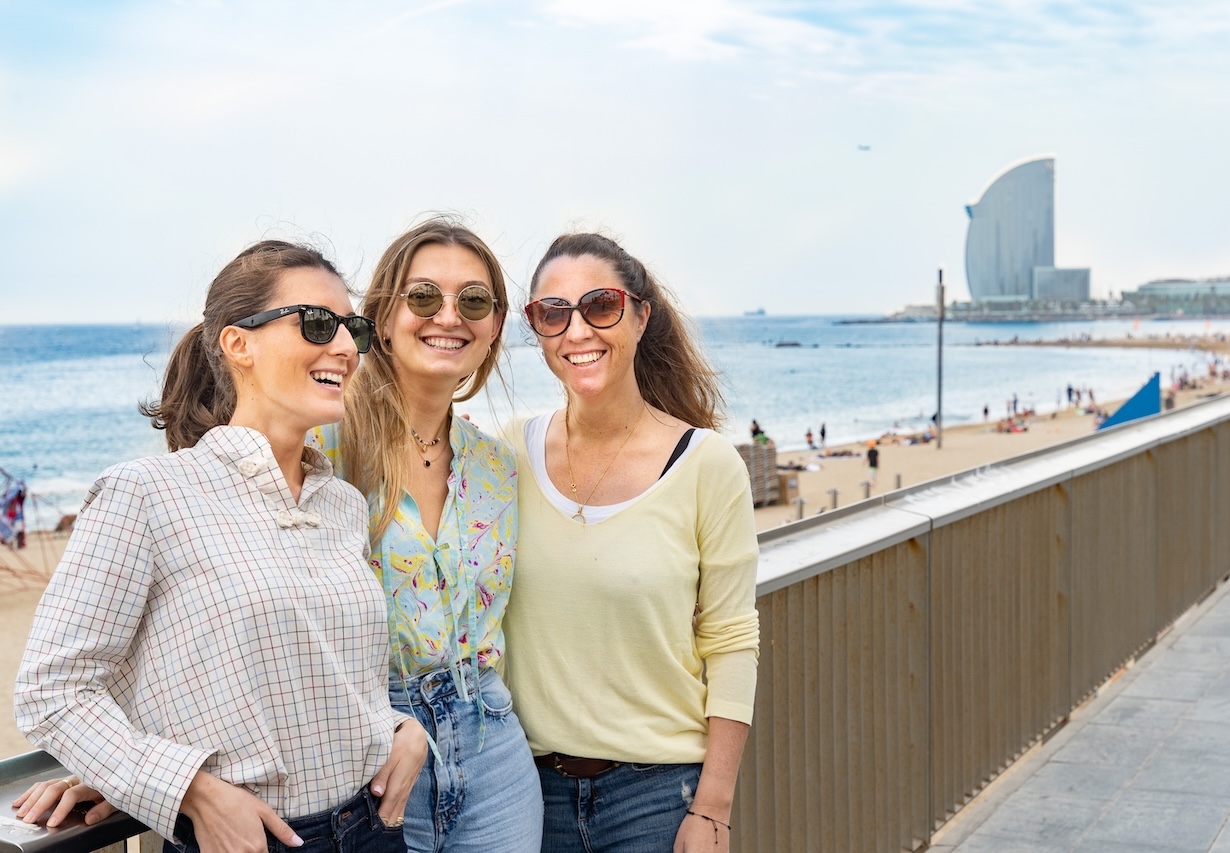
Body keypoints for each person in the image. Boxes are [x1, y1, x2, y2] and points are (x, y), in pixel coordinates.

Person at [13, 241, 428, 853]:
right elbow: (52, 689)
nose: (345, 346)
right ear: (238, 344)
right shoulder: (147, 493)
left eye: (353, 328)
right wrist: (187, 790)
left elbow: (322, 671)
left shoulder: (340, 504)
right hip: (245, 838)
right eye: (318, 322)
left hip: (375, 827)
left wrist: (400, 727)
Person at [507, 233, 759, 852]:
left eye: (601, 306)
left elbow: (731, 640)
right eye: (552, 312)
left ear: (640, 316)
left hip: (657, 798)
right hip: (525, 794)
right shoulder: (508, 452)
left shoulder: (707, 464)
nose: (577, 331)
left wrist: (713, 810)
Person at [308, 219, 541, 852]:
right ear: (383, 318)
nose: (449, 316)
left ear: (494, 327)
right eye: (423, 296)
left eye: (474, 301)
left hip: (494, 751)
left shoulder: (496, 466)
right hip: (368, 756)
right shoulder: (322, 446)